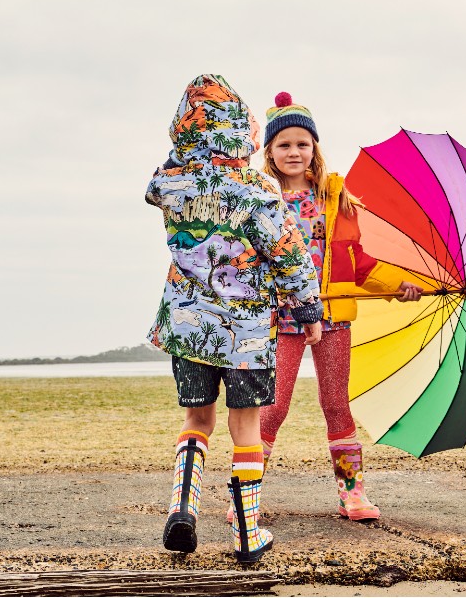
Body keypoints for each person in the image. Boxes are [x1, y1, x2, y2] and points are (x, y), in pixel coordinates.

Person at [145, 75, 324, 563]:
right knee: (244, 429)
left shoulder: (170, 184)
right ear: (241, 132)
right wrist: (308, 308)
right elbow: (287, 253)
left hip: (187, 328)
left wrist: (184, 152)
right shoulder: (257, 190)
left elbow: (157, 181)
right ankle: (248, 534)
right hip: (246, 333)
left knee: (196, 419)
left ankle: (183, 507)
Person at [258, 92, 423, 521]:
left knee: (336, 404)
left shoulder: (337, 199)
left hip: (333, 316)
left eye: (302, 144)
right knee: (274, 406)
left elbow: (359, 261)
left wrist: (397, 284)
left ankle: (353, 493)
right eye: (284, 145)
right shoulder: (260, 200)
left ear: (315, 148)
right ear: (270, 153)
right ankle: (246, 493)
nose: (294, 152)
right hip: (281, 317)